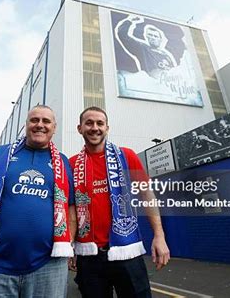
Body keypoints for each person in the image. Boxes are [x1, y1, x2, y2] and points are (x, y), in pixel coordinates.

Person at [0, 105, 77, 297]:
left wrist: (68, 245)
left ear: (54, 127)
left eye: (46, 121)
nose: (40, 125)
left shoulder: (63, 162)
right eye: (34, 120)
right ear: (26, 125)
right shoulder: (0, 154)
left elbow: (70, 207)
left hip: (49, 267)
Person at [69, 106, 170, 298]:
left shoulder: (127, 156)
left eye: (100, 123)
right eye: (89, 123)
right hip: (89, 257)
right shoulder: (72, 164)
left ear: (107, 128)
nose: (95, 128)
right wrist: (71, 246)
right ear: (79, 128)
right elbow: (72, 210)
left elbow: (147, 195)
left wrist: (159, 236)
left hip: (127, 252)